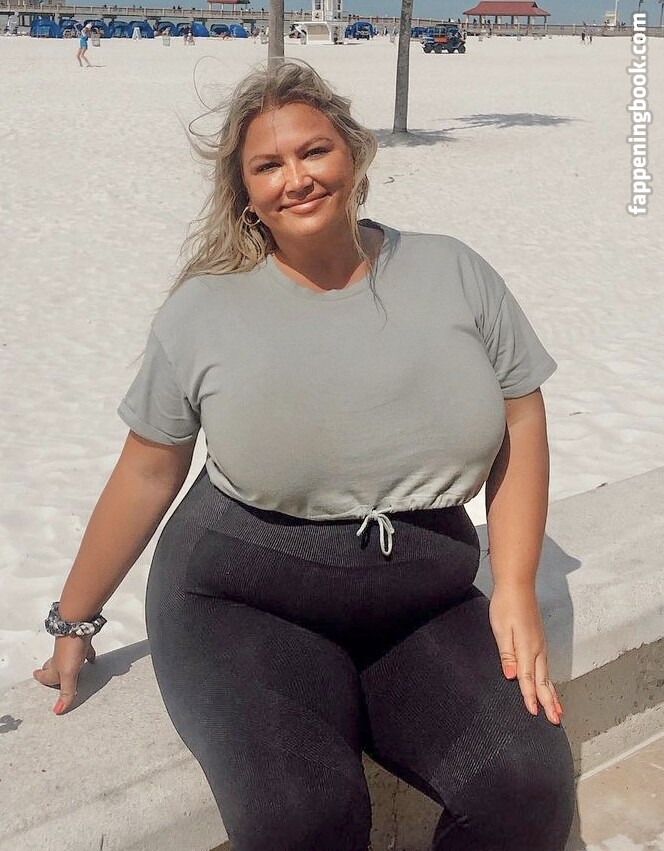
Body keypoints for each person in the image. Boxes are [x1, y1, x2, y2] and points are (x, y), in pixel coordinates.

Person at [34, 61, 575, 850]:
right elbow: (148, 471)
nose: (297, 178)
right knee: (304, 820)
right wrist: (73, 618)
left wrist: (515, 584)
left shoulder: (452, 271)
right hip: (243, 602)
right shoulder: (204, 309)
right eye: (269, 165)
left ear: (353, 153)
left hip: (421, 596)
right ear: (245, 192)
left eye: (314, 151)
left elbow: (522, 417)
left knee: (526, 788)